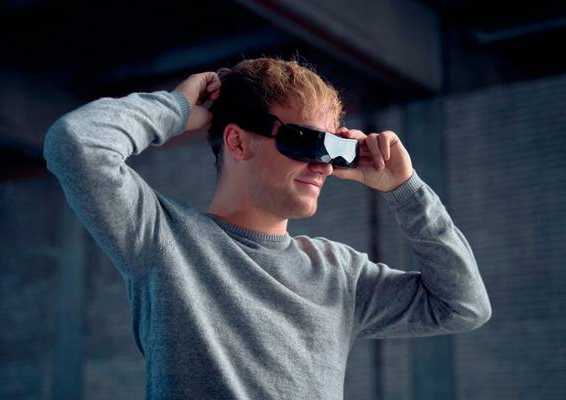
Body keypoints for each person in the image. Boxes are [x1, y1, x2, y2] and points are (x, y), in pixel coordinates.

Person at [44, 57, 491, 400]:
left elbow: (463, 306)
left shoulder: (340, 273)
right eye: (304, 141)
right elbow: (76, 143)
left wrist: (406, 190)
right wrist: (176, 108)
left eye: (332, 147)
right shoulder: (162, 240)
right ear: (237, 141)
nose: (322, 163)